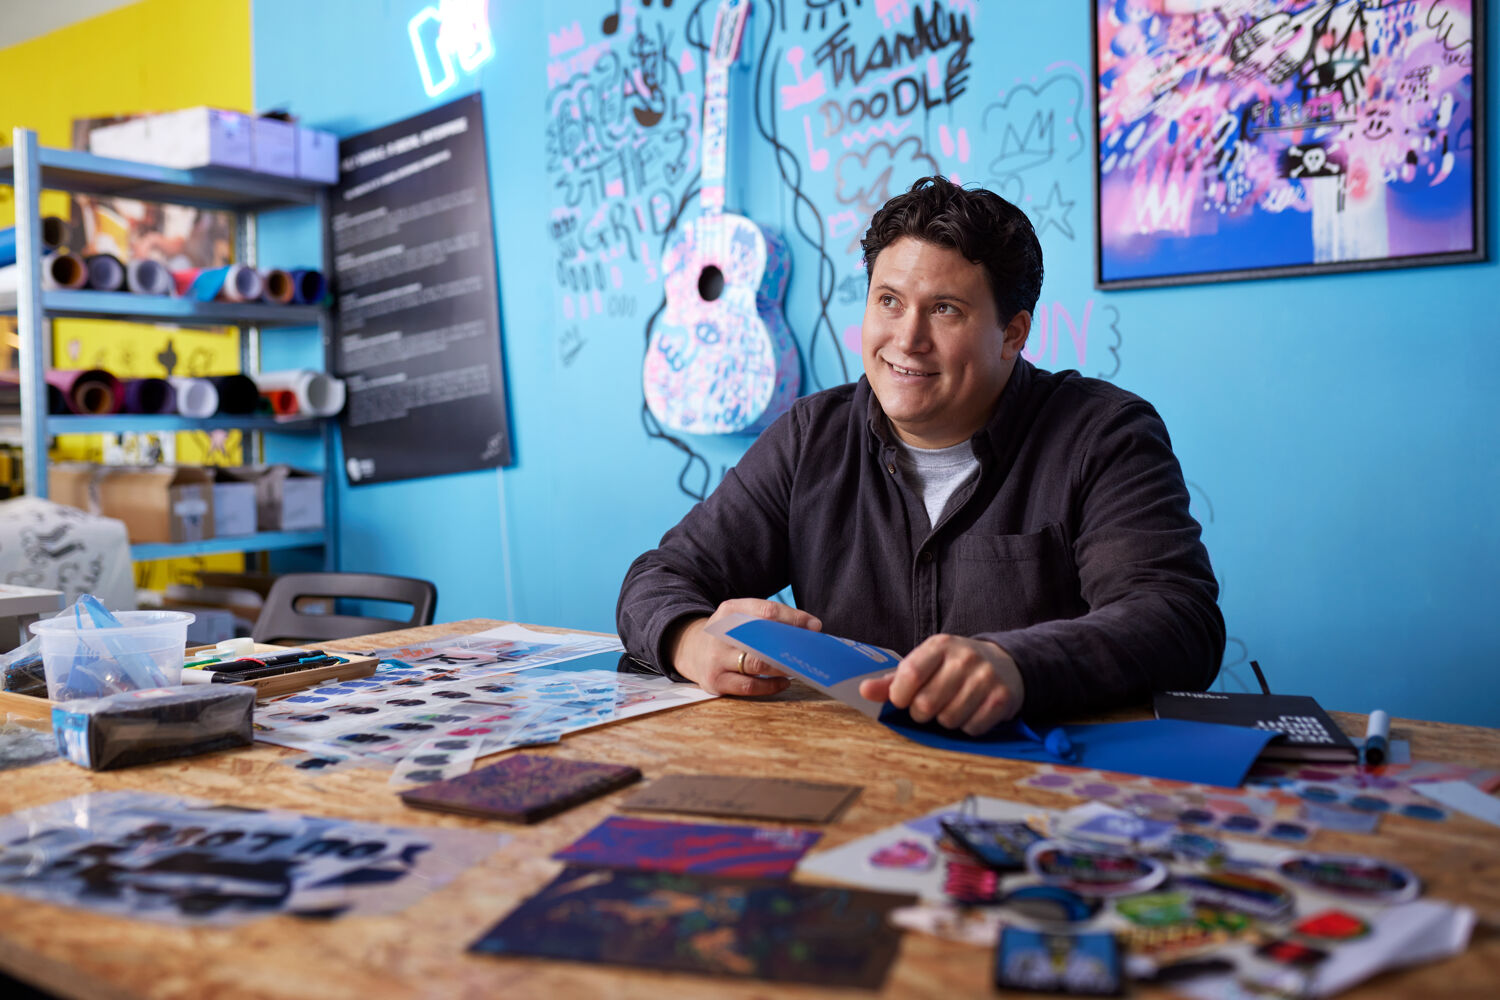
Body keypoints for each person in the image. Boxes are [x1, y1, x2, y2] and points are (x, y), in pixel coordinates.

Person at [617, 175, 1223, 731]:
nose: (907, 339)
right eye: (889, 301)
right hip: (850, 771)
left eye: (944, 309)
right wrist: (690, 641)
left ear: (1012, 333)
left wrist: (1015, 664)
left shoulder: (1104, 435)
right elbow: (659, 577)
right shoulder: (810, 437)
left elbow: (1176, 620)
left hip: (1043, 779)